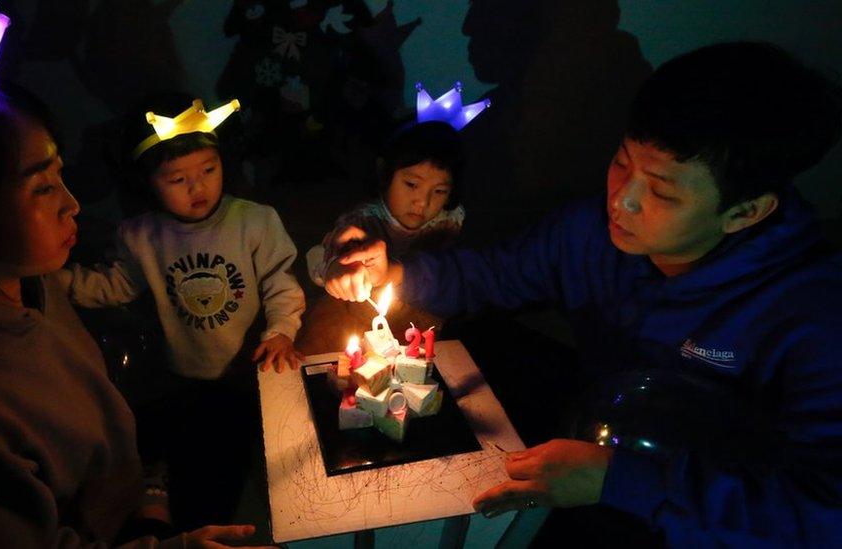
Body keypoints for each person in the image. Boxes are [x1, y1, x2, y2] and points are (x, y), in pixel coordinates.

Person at [324, 42, 842, 545]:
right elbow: (495, 274)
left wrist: (621, 482)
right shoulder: (587, 232)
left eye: (661, 191)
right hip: (590, 447)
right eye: (622, 162)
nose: (622, 200)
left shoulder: (813, 316)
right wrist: (393, 272)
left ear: (746, 212)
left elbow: (822, 512)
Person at [0, 76, 273, 548]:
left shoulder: (34, 283)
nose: (73, 204)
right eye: (42, 187)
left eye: (61, 175)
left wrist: (147, 497)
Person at [61, 95, 305, 528]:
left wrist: (281, 330)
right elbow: (117, 283)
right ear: (149, 183)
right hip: (184, 375)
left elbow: (280, 282)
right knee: (199, 471)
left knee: (257, 459)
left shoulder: (254, 221)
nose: (198, 187)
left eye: (208, 170)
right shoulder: (142, 236)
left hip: (251, 371)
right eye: (178, 179)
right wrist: (59, 281)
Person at [297, 120, 466, 354]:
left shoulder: (450, 221)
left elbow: (453, 270)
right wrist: (333, 268)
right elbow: (318, 255)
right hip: (354, 312)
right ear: (385, 172)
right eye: (411, 184)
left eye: (439, 191)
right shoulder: (362, 222)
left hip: (418, 312)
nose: (422, 201)